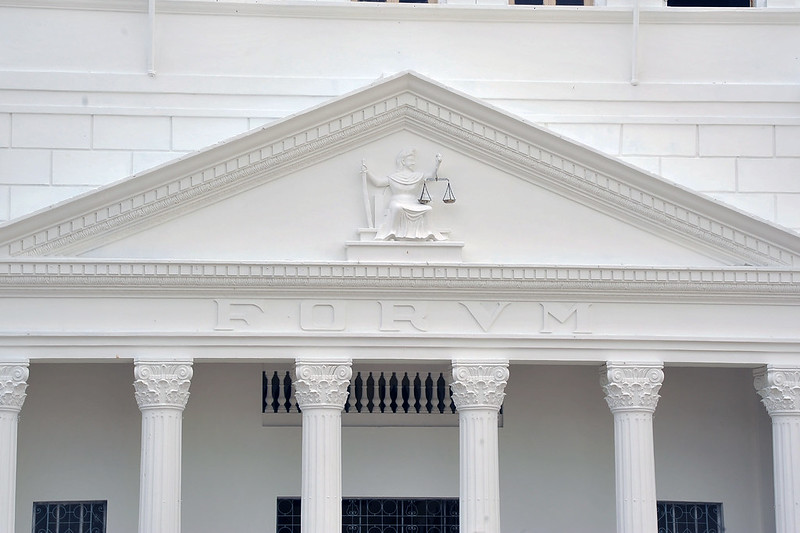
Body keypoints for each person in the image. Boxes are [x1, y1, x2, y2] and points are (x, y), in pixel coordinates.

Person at [362, 148, 446, 241]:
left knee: (428, 209)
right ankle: (391, 233)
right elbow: (378, 183)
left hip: (414, 203)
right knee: (398, 208)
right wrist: (367, 173)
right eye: (411, 160)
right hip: (397, 202)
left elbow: (431, 176)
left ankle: (428, 234)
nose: (413, 163)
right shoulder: (393, 177)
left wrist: (437, 165)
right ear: (403, 161)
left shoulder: (417, 176)